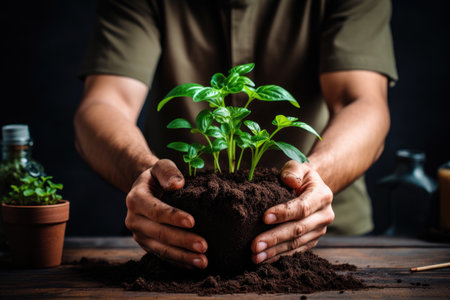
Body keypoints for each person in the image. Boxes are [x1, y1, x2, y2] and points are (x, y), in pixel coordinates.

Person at [74, 0, 397, 269]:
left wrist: (313, 179)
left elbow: (362, 102)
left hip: (325, 235)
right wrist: (143, 171)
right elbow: (104, 103)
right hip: (170, 229)